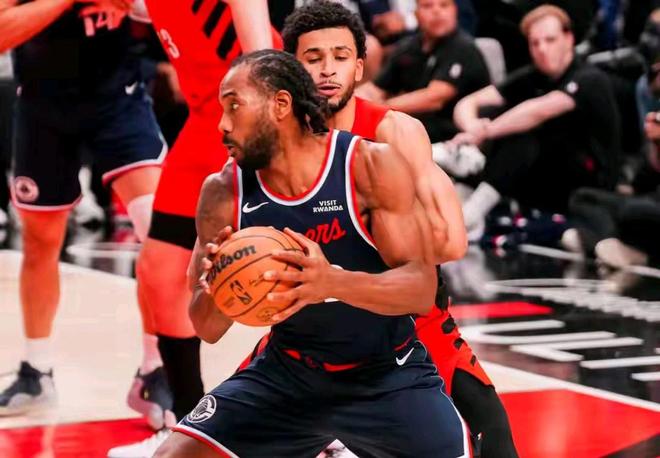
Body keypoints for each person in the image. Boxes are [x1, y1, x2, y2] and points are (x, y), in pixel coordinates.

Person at [234, 3, 518, 456]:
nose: (328, 70)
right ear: (292, 69)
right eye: (313, 58)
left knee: (493, 435)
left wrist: (362, 233)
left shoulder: (393, 133)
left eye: (341, 56)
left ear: (360, 67)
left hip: (405, 320)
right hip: (316, 329)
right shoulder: (270, 141)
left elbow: (452, 240)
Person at [156, 49, 470, 458]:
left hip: (387, 375)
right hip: (288, 373)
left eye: (234, 106)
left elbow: (421, 289)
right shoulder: (223, 192)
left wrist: (330, 282)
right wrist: (221, 286)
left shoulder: (367, 166)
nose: (222, 125)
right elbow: (206, 328)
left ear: (280, 105)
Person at [106, 1, 279, 456]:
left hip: (259, 113)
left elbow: (263, 59)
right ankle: (186, 428)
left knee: (293, 274)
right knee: (160, 271)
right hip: (206, 122)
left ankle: (334, 426)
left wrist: (264, 135)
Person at [0, 0, 169, 426]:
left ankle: (155, 368)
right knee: (40, 242)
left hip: (119, 102)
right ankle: (36, 371)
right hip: (43, 108)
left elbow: (161, 14)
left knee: (157, 230)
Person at [453, 4, 621, 239]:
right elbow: (468, 103)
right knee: (494, 111)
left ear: (569, 39)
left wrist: (484, 132)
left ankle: (473, 211)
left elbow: (539, 111)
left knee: (523, 128)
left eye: (550, 40)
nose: (542, 49)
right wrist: (472, 127)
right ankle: (469, 185)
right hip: (545, 177)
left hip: (588, 184)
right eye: (535, 43)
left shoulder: (590, 78)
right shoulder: (533, 75)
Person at [357, 0, 490, 142]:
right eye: (427, 6)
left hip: (458, 133)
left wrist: (376, 109)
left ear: (455, 11)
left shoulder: (463, 48)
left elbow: (434, 98)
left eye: (444, 5)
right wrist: (351, 103)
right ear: (416, 14)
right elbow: (374, 89)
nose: (436, 12)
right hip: (416, 127)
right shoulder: (407, 47)